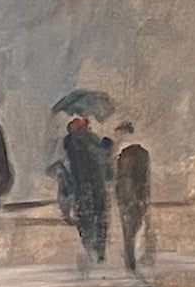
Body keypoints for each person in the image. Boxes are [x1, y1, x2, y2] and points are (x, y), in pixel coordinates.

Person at [49, 112, 116, 265]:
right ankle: (100, 251)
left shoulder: (68, 143)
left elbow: (62, 166)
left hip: (80, 186)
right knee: (100, 216)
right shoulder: (89, 139)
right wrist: (108, 144)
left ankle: (91, 248)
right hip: (96, 184)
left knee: (85, 218)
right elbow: (103, 156)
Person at [115, 125, 152, 273]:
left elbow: (122, 177)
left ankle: (130, 259)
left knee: (128, 227)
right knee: (134, 225)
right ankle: (131, 259)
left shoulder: (124, 154)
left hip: (127, 192)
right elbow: (145, 178)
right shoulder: (143, 154)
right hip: (136, 192)